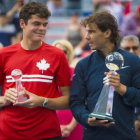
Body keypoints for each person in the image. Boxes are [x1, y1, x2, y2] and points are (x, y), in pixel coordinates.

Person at [0, 2, 71, 139]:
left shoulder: (57, 55)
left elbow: (69, 100)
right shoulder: (4, 55)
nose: (42, 29)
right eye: (37, 24)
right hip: (8, 133)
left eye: (45, 24)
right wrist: (4, 99)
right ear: (22, 24)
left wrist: (42, 101)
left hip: (46, 133)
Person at [70, 11, 140, 140]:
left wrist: (121, 88)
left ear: (107, 33)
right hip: (93, 136)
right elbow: (75, 102)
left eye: (91, 32)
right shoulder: (83, 65)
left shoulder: (133, 61)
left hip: (124, 135)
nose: (86, 37)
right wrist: (87, 119)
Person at [53, 40, 82, 140]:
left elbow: (81, 102)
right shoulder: (47, 76)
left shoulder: (76, 74)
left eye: (64, 51)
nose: (60, 54)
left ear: (69, 54)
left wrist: (70, 127)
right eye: (56, 51)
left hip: (74, 122)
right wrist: (55, 127)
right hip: (51, 124)